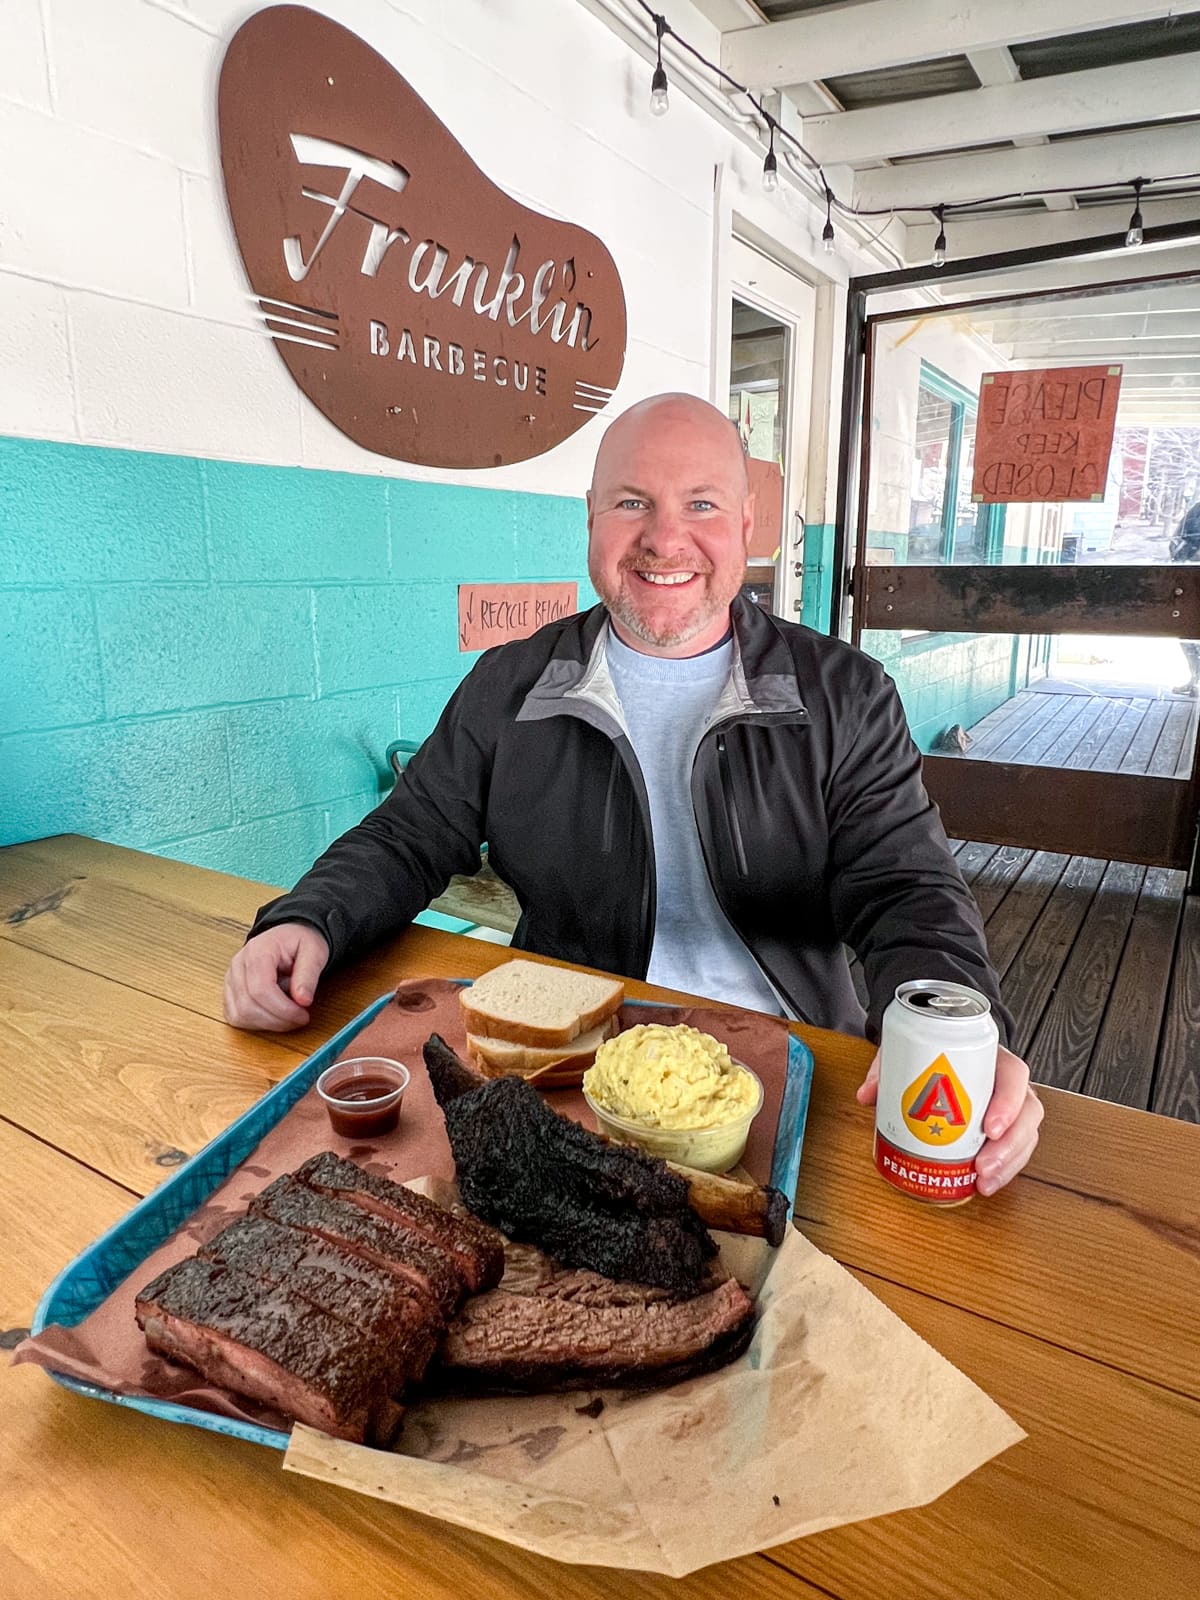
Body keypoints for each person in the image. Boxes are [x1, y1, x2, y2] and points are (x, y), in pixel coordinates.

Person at [224, 393, 1043, 1195]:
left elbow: (907, 889)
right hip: (571, 1078)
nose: (664, 537)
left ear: (746, 524)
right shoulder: (512, 685)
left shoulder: (844, 695)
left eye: (701, 503)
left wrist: (963, 1033)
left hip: (791, 1073)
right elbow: (410, 832)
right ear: (590, 516)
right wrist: (309, 918)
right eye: (631, 502)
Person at [1169, 499, 1200, 695]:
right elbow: (1180, 540)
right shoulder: (1197, 510)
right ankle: (1195, 678)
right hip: (1191, 583)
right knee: (1187, 636)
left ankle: (1195, 679)